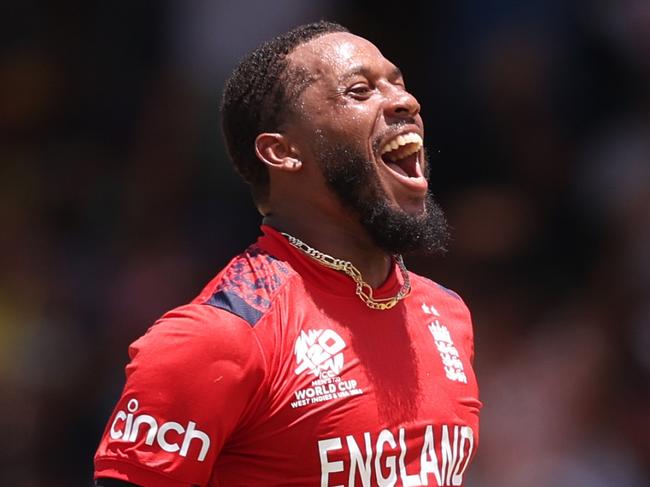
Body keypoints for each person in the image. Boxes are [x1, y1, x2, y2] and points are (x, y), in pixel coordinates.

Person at [94, 21, 481, 487]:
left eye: (398, 84)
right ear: (282, 152)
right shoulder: (218, 338)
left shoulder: (447, 313)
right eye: (359, 91)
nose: (405, 102)